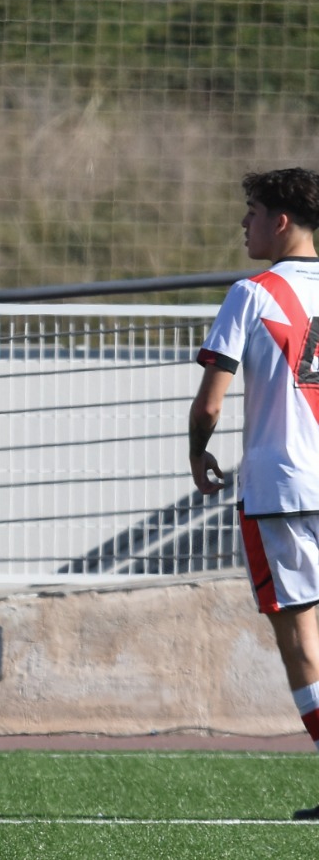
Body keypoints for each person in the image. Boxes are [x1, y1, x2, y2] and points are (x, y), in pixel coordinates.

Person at [191, 167, 319, 820]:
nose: (244, 223)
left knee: (301, 639)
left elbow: (211, 400)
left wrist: (196, 450)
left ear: (282, 222)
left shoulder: (252, 293)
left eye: (251, 211)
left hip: (282, 486)